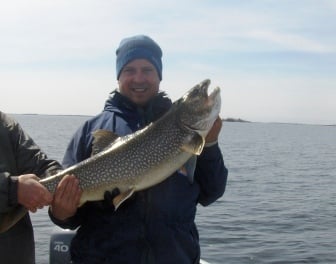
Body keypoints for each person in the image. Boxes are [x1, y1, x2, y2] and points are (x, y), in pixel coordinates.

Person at [50, 35, 228, 264]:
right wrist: (61, 211)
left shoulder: (190, 135)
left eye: (147, 69)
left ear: (159, 76)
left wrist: (211, 144)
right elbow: (67, 219)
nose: (139, 78)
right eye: (129, 70)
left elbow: (212, 192)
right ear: (118, 76)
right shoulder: (90, 131)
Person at [0, 111, 74, 264]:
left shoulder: (5, 124)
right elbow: (15, 189)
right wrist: (12, 189)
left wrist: (64, 185)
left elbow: (39, 164)